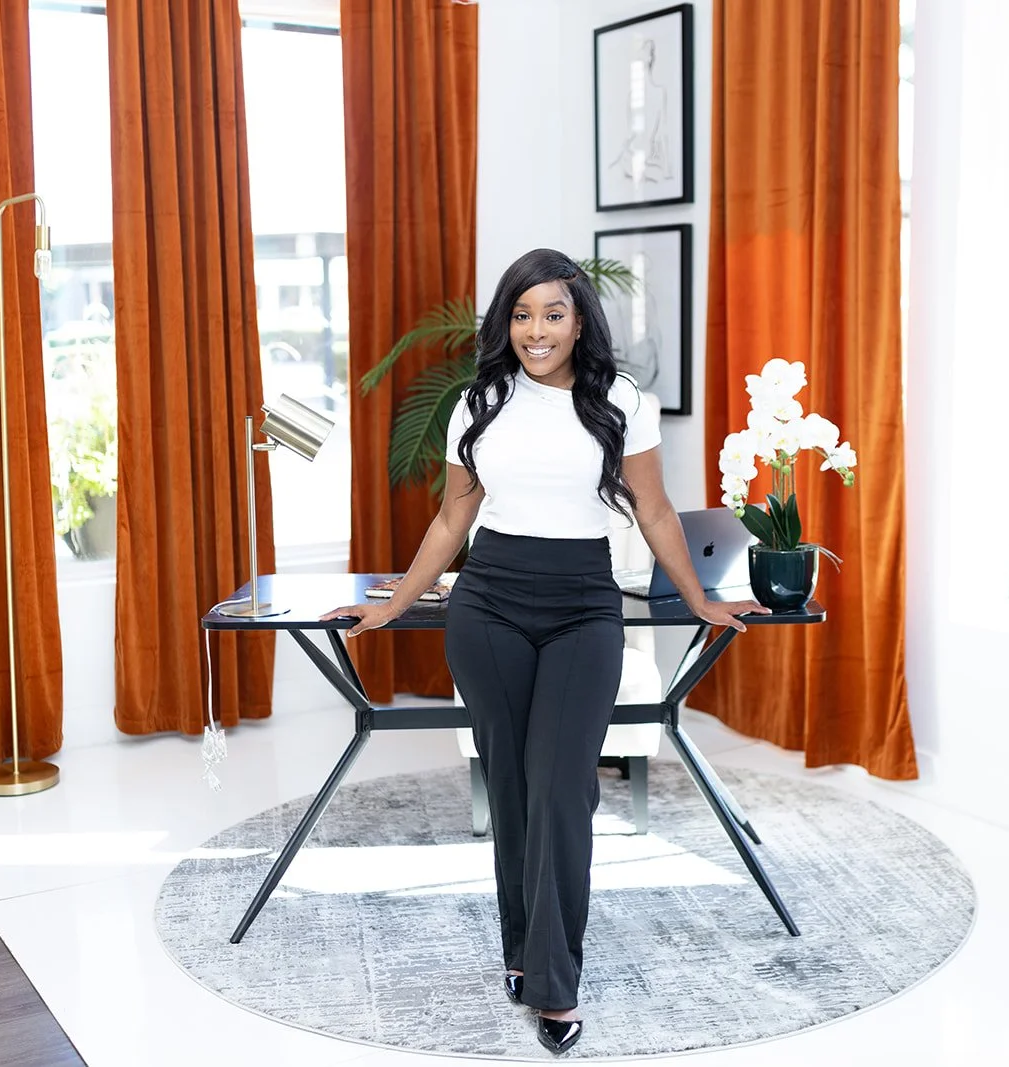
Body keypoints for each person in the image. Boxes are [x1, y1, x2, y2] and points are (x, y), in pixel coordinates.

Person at [321, 248, 768, 1056]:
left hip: (583, 608)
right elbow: (454, 521)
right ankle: (524, 955)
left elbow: (656, 511)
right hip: (488, 605)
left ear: (578, 320)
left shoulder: (621, 400)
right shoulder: (479, 402)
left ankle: (556, 982)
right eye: (522, 315)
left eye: (553, 314)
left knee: (565, 790)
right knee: (516, 790)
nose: (537, 330)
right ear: (507, 322)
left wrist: (701, 599)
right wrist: (395, 603)